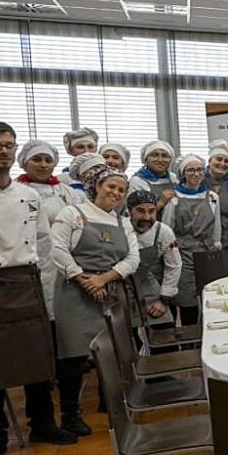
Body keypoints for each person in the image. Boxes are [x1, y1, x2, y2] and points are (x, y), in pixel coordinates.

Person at [0, 122, 76, 455]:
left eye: (8, 145)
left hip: (27, 279)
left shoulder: (29, 195)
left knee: (38, 357)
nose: (3, 151)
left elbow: (41, 240)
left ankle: (43, 424)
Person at [50, 159, 137, 438]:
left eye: (121, 190)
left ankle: (108, 401)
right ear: (96, 186)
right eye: (111, 186)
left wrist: (103, 279)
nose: (116, 193)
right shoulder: (72, 214)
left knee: (110, 350)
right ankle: (70, 414)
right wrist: (84, 279)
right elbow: (58, 250)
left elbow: (132, 259)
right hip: (74, 292)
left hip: (110, 290)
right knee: (74, 356)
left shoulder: (123, 222)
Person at [17, 140, 79, 329]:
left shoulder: (67, 192)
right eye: (37, 159)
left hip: (68, 259)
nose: (43, 165)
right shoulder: (15, 192)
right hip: (31, 260)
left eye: (48, 160)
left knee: (68, 315)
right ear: (25, 163)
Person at [160, 155, 219, 326]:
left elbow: (216, 226)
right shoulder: (174, 197)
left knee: (209, 295)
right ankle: (190, 336)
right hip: (182, 252)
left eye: (199, 169)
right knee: (187, 299)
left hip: (206, 251)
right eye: (191, 170)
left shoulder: (212, 196)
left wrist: (216, 245)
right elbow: (167, 228)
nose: (196, 173)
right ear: (183, 173)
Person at [125, 190, 180, 334]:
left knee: (164, 334)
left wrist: (164, 299)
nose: (147, 217)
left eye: (152, 211)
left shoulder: (164, 232)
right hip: (122, 289)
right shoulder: (119, 228)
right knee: (126, 340)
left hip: (149, 287)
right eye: (140, 211)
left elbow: (174, 266)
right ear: (129, 211)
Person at [206, 140, 228, 252]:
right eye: (218, 159)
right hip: (205, 236)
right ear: (210, 160)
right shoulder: (198, 180)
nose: (222, 163)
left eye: (226, 161)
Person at [128, 140, 177, 212]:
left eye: (164, 156)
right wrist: (161, 202)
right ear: (145, 160)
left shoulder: (173, 178)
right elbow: (138, 214)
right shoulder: (137, 181)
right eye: (154, 155)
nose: (160, 160)